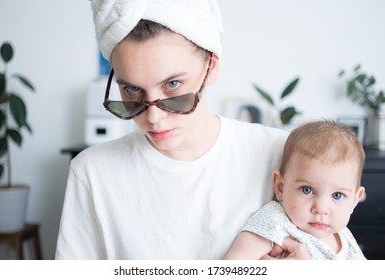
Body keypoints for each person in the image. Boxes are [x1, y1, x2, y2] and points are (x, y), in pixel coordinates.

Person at [55, 0, 310, 259]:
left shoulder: (282, 153)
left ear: (211, 67)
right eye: (132, 89)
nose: (153, 117)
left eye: (173, 84)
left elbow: (339, 249)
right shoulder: (92, 172)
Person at [224, 120, 366, 260]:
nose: (321, 208)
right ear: (280, 187)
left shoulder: (344, 235)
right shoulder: (276, 221)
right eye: (306, 190)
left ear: (354, 200)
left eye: (337, 195)